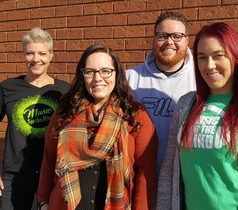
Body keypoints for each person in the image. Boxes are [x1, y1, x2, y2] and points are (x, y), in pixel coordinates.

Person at [157, 22, 238, 210]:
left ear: (235, 57)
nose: (209, 66)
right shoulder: (185, 105)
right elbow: (169, 171)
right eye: (202, 57)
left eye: (218, 56)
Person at [37, 44, 158, 210]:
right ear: (82, 75)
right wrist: (43, 200)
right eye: (90, 72)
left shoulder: (135, 116)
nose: (97, 78)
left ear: (117, 74)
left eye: (106, 71)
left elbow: (145, 173)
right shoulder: (65, 112)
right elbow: (49, 158)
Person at [0, 27, 70, 209]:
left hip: (52, 175)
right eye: (30, 53)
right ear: (23, 55)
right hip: (14, 176)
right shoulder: (8, 87)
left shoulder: (64, 91)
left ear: (51, 55)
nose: (36, 59)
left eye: (42, 53)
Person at [125, 11, 196, 175]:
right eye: (162, 36)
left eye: (177, 36)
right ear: (154, 39)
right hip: (139, 178)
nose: (169, 42)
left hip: (185, 181)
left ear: (187, 40)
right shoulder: (129, 79)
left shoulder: (200, 79)